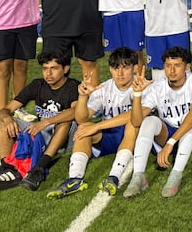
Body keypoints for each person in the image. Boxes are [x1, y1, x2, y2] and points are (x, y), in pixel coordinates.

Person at [46, 47, 140, 199]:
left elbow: (134, 116)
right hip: (111, 136)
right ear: (110, 69)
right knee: (84, 128)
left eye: (125, 68)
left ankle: (114, 177)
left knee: (132, 125)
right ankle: (74, 178)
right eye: (116, 68)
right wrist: (83, 97)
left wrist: (97, 126)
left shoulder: (141, 86)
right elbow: (82, 118)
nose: (120, 73)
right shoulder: (104, 87)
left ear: (135, 68)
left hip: (135, 137)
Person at [0, 50, 80, 193]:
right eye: (45, 69)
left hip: (67, 137)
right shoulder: (37, 85)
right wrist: (7, 118)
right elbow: (5, 110)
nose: (48, 74)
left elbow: (75, 112)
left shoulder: (73, 86)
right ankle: (8, 168)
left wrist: (45, 122)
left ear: (65, 69)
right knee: (4, 122)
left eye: (54, 68)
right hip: (42, 133)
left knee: (65, 121)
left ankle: (39, 169)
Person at [123, 47, 192, 198]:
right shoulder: (157, 87)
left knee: (191, 119)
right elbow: (136, 121)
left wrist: (170, 144)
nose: (171, 71)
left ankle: (175, 175)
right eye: (168, 66)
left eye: (177, 66)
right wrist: (138, 94)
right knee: (149, 120)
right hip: (166, 133)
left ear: (187, 67)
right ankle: (138, 176)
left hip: (187, 136)